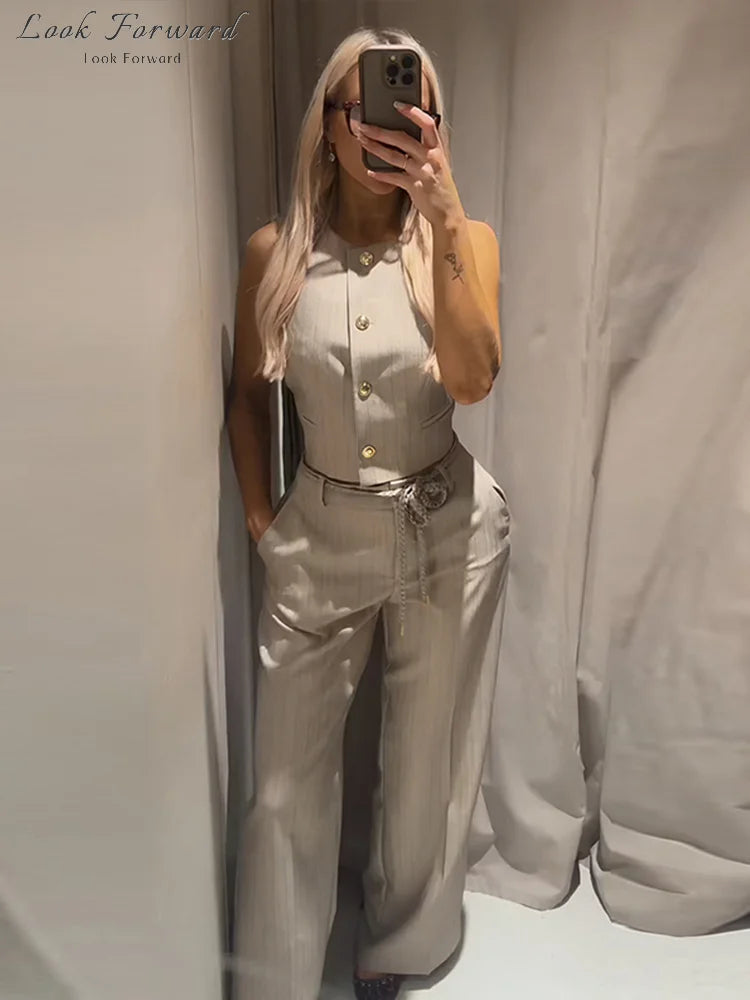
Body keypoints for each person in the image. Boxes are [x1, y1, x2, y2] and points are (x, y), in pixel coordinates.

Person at [226, 25, 511, 1000]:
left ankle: (400, 946)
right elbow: (247, 397)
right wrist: (264, 521)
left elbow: (473, 380)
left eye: (416, 110)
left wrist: (446, 210)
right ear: (331, 123)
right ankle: (273, 975)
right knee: (283, 783)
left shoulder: (464, 245)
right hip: (319, 533)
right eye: (375, 109)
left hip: (450, 528)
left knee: (429, 760)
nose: (395, 127)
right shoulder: (277, 254)